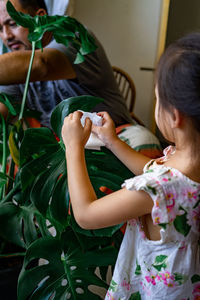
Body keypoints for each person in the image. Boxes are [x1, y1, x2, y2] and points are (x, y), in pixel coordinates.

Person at [61, 32, 200, 299]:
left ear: (175, 116)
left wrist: (73, 147)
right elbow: (155, 168)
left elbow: (86, 215)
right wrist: (113, 141)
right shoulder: (180, 165)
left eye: (158, 98)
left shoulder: (157, 188)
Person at [0, 0, 133, 128]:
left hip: (116, 135)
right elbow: (4, 108)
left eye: (13, 23)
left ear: (40, 17)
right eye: (0, 29)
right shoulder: (14, 71)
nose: (6, 36)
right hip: (67, 146)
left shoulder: (72, 35)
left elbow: (41, 65)